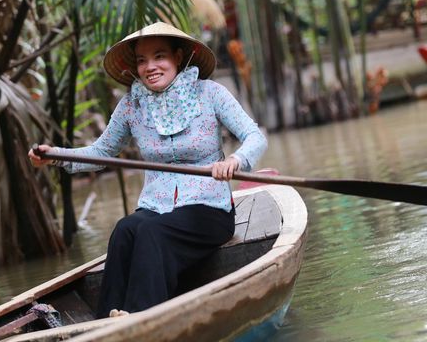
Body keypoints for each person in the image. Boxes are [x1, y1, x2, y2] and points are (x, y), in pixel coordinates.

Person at [28, 22, 267, 318]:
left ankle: (141, 319)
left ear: (178, 57)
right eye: (142, 60)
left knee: (152, 232)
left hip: (208, 209)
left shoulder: (210, 93)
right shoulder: (132, 105)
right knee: (125, 230)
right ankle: (105, 322)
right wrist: (56, 156)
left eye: (159, 56)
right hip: (156, 206)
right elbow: (102, 153)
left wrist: (234, 161)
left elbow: (255, 136)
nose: (150, 67)